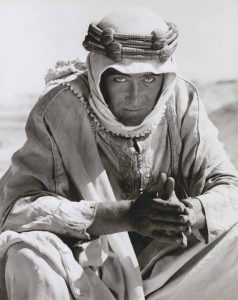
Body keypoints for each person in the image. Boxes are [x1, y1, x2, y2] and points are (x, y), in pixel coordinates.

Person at [0, 6, 238, 300]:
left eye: (149, 80)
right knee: (28, 256)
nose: (136, 97)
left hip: (161, 267)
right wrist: (124, 216)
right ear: (98, 73)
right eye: (120, 79)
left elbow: (230, 187)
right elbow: (16, 210)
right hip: (82, 269)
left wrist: (188, 214)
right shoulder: (61, 108)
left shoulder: (180, 99)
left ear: (165, 77)